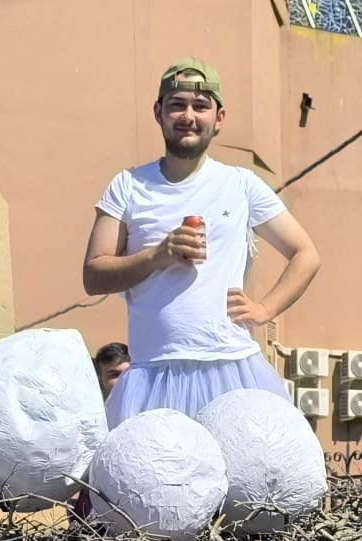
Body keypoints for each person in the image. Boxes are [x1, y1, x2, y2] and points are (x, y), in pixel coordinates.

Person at [83, 59, 321, 425]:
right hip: (152, 376)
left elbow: (306, 254)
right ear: (159, 112)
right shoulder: (128, 185)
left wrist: (266, 309)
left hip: (232, 368)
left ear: (219, 118)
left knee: (242, 480)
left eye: (200, 106)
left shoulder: (242, 184)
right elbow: (94, 274)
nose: (188, 116)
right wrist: (157, 256)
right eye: (177, 104)